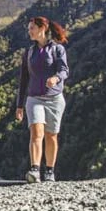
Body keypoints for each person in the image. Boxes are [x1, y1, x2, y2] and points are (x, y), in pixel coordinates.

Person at [15, 16, 69, 183]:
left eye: (32, 28)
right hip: (34, 98)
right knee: (36, 132)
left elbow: (64, 70)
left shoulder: (57, 49)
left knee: (51, 135)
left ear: (42, 29)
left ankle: (50, 171)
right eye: (29, 28)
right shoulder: (29, 52)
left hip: (54, 98)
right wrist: (19, 105)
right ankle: (35, 169)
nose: (29, 31)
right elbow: (23, 79)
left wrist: (56, 78)